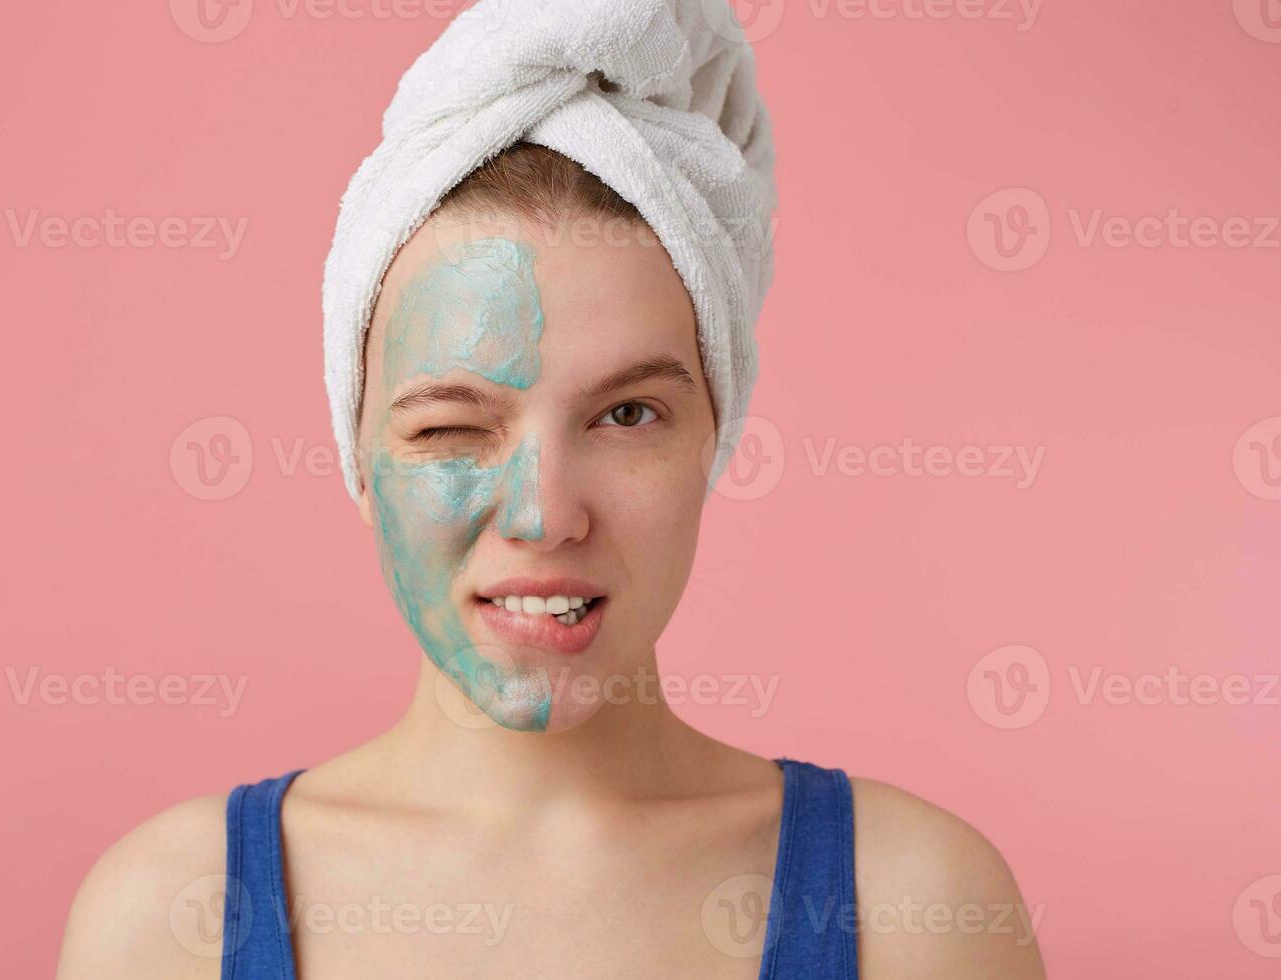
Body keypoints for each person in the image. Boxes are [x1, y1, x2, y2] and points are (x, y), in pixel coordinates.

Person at [55, 142, 1046, 979]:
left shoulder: (914, 907)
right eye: (452, 427)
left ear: (717, 437)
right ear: (359, 465)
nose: (545, 512)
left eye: (626, 414)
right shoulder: (167, 919)